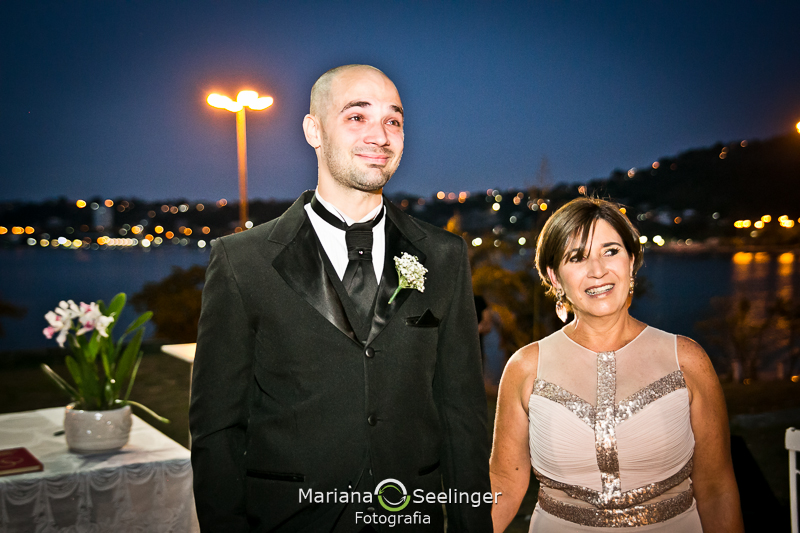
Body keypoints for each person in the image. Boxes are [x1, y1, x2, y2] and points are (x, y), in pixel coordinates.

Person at [190, 64, 492, 532]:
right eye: (357, 117)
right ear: (314, 130)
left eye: (393, 120)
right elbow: (217, 428)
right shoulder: (241, 261)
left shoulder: (443, 255)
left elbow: (462, 413)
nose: (381, 135)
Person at [489, 197, 743, 532]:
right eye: (577, 258)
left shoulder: (687, 360)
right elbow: (504, 482)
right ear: (554, 276)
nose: (598, 270)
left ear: (632, 261)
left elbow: (716, 487)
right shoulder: (525, 367)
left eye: (611, 251)